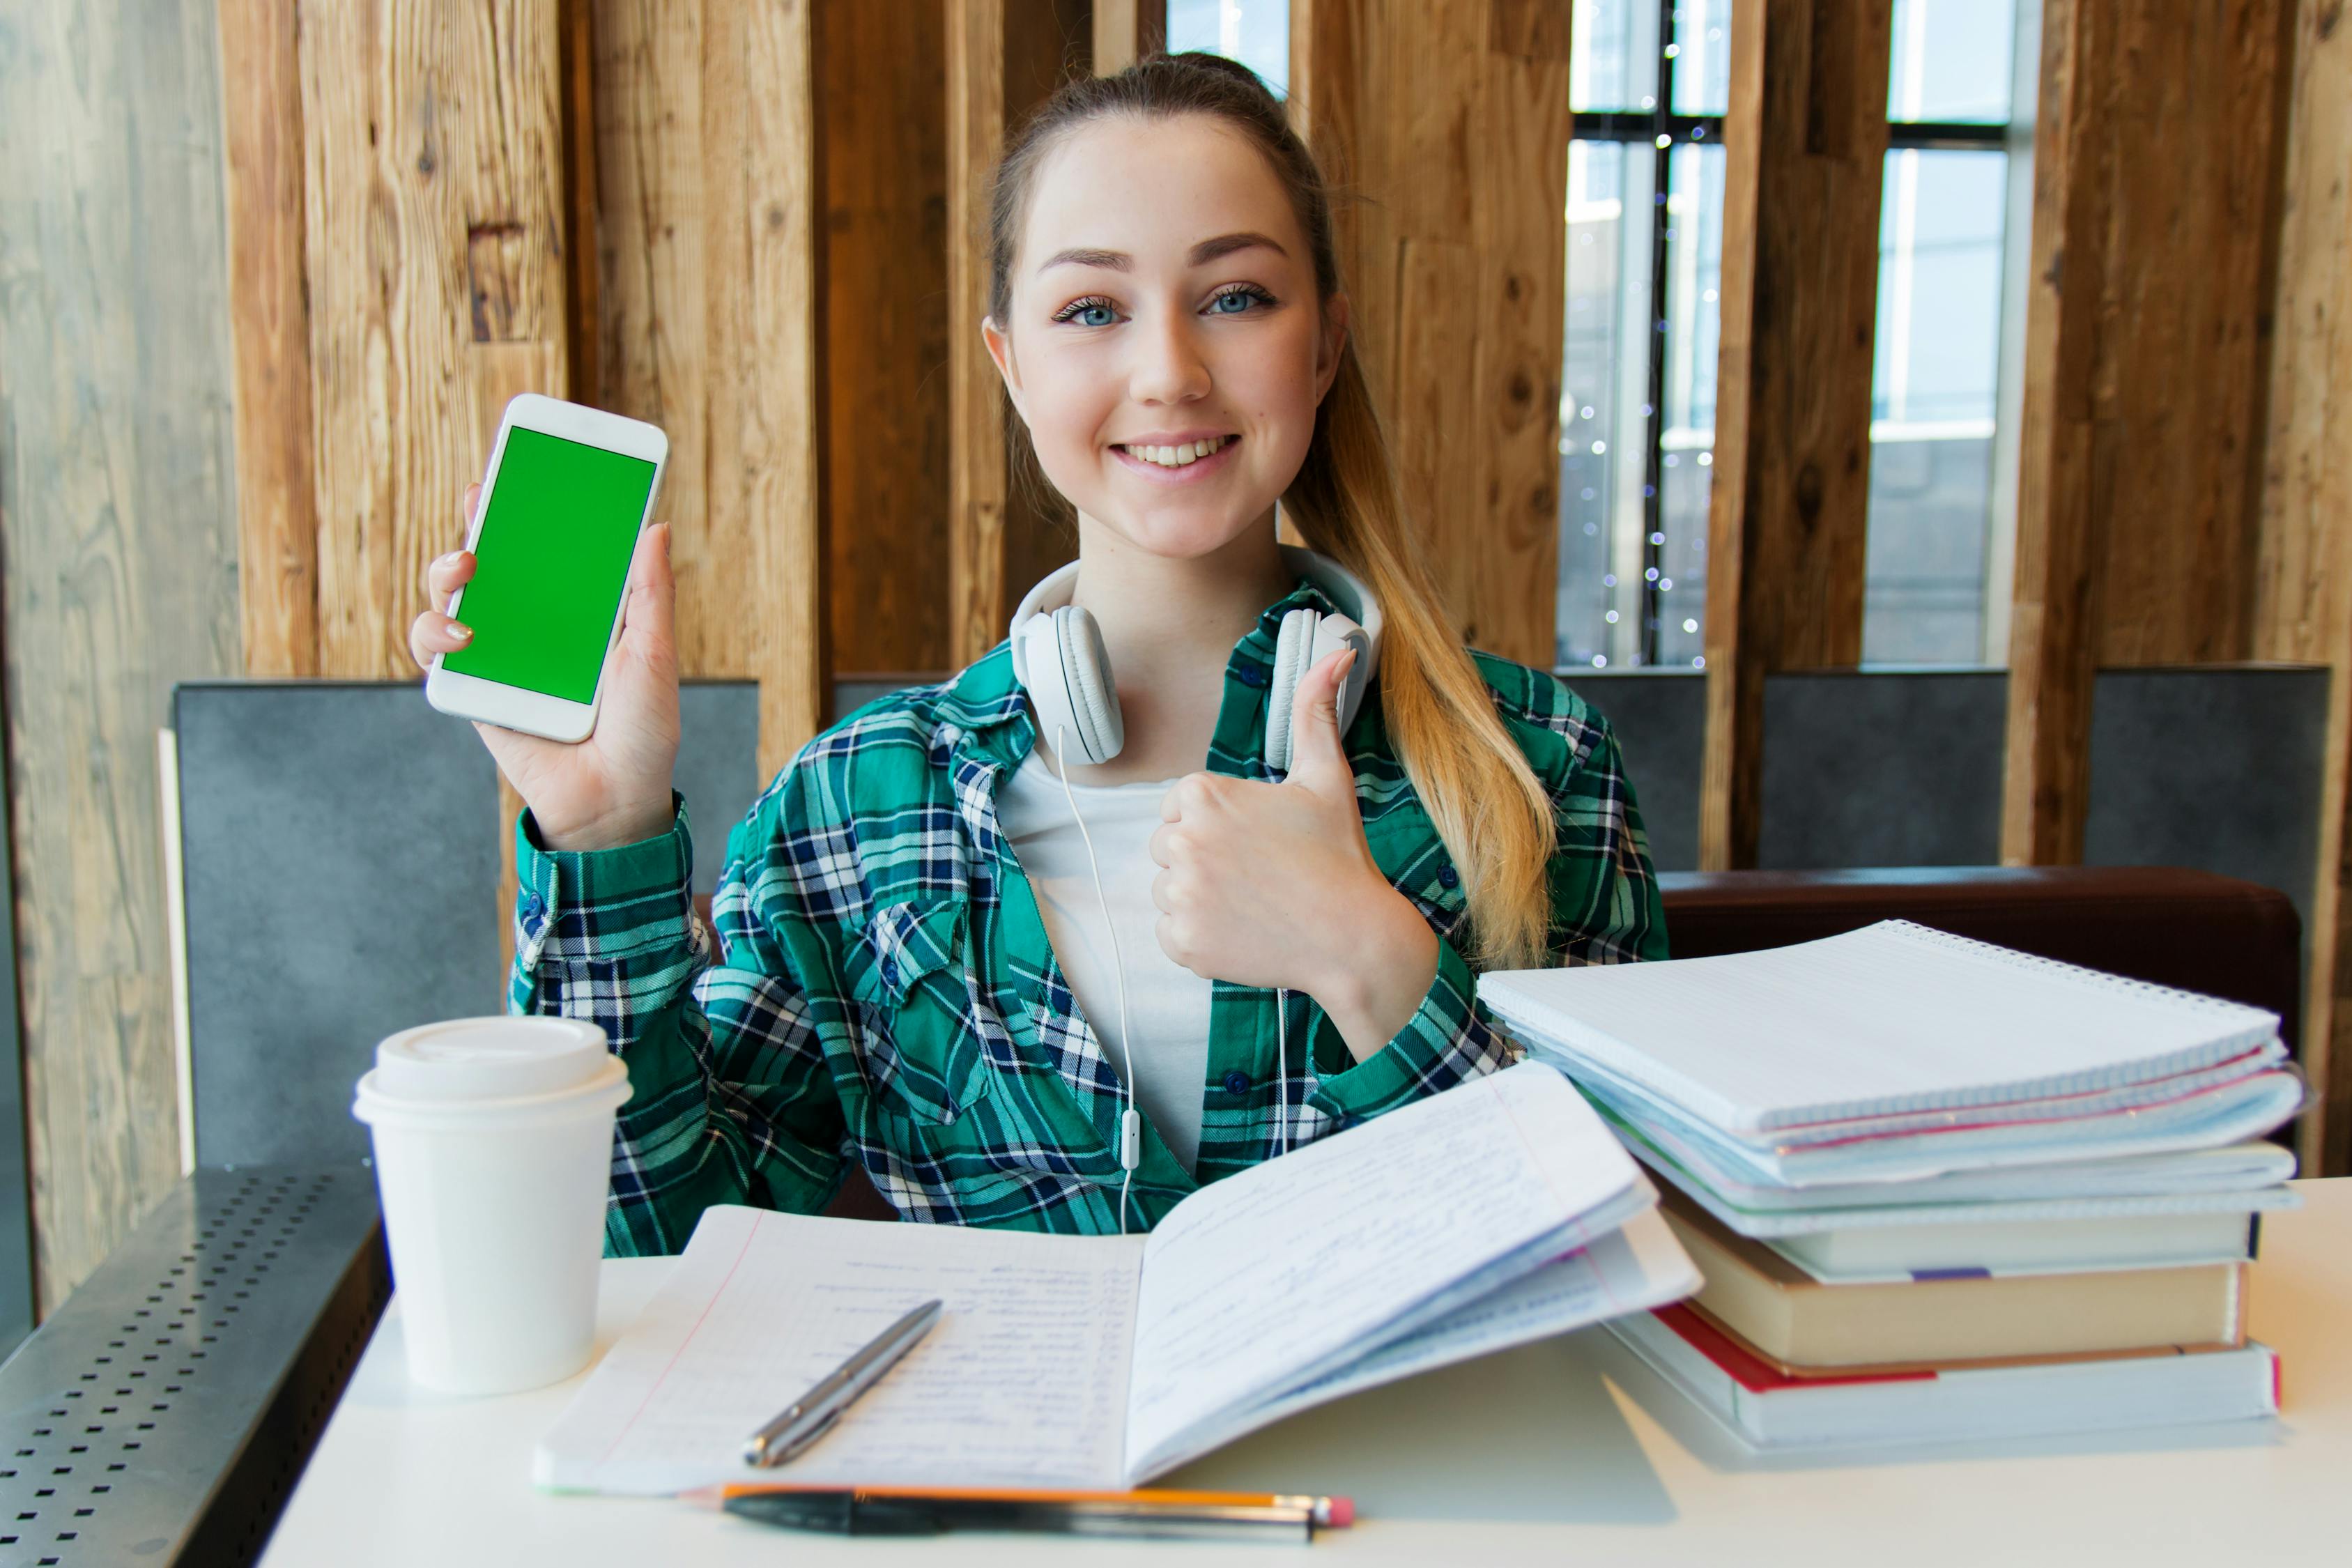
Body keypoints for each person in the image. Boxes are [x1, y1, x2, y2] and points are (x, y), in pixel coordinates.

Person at [408, 52, 1666, 1254]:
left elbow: (1633, 1267)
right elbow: (643, 1242)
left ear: (1323, 343)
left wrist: (1368, 955)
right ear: (1011, 362)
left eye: (1235, 297)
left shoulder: (1536, 764)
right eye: (1091, 308)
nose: (1169, 371)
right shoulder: (862, 807)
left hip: (1418, 1479)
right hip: (1006, 1479)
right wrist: (603, 829)